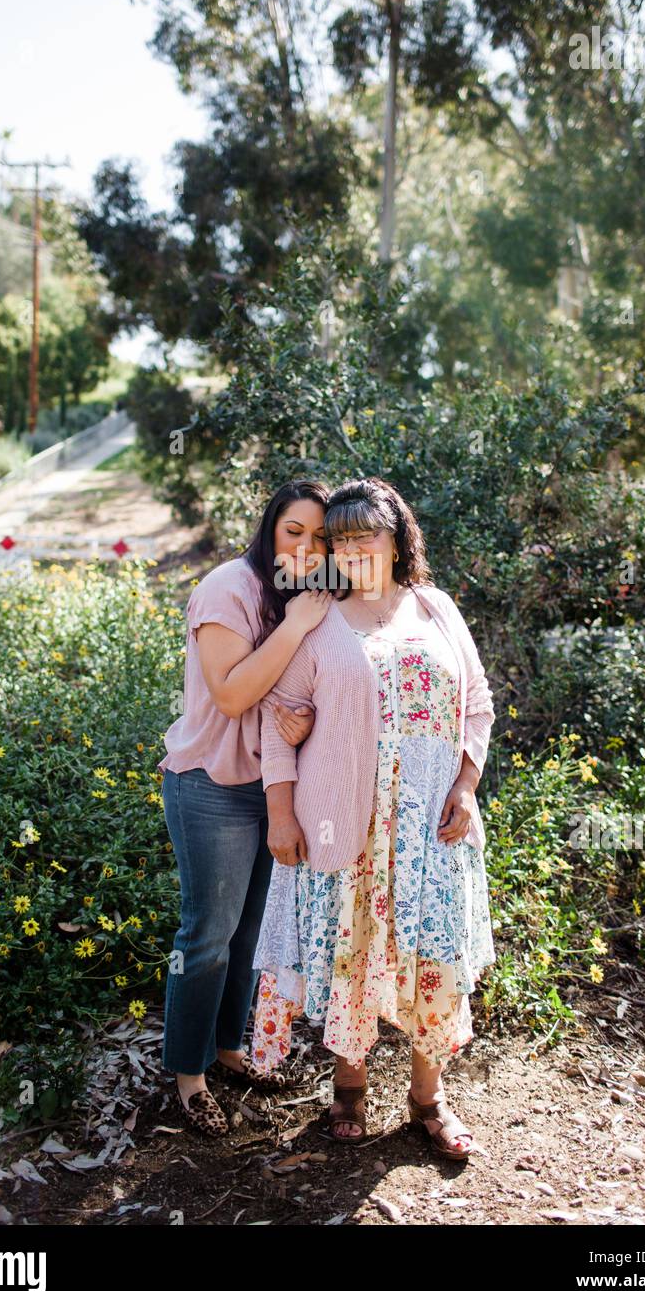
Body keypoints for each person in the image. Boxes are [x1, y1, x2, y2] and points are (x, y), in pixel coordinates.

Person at [250, 477, 497, 1162]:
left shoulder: (436, 608)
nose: (353, 549)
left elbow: (476, 702)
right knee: (349, 948)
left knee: (430, 954)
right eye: (340, 538)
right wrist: (280, 814)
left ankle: (427, 1098)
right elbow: (279, 721)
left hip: (428, 827)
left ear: (396, 541)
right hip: (345, 821)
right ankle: (350, 1086)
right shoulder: (317, 616)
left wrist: (468, 785)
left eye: (367, 535)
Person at [157, 480, 334, 1138]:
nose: (308, 547)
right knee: (206, 936)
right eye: (296, 531)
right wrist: (294, 628)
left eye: (321, 537)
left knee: (247, 936)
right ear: (270, 529)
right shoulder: (229, 587)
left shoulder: (308, 597)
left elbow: (298, 689)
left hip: (272, 789)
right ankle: (189, 1077)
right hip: (211, 784)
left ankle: (229, 1051)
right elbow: (231, 696)